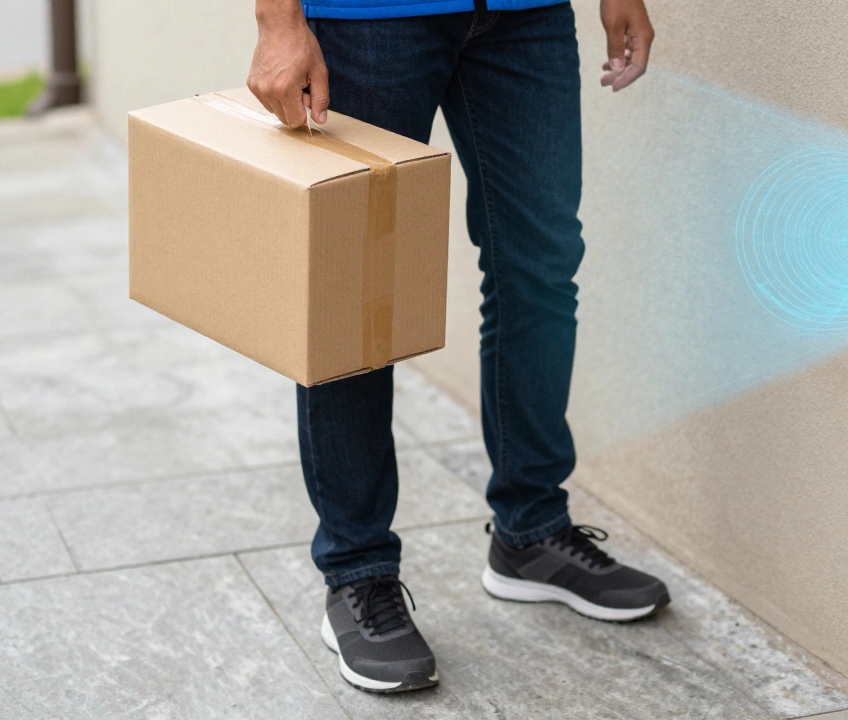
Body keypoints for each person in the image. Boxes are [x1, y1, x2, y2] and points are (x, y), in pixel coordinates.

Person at [246, 0, 667, 695]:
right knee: (355, 290)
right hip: (368, 19)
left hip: (525, 14)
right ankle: (358, 571)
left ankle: (530, 532)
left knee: (539, 267)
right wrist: (277, 18)